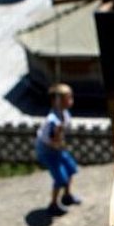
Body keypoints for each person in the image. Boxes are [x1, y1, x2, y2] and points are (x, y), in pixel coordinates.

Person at [35, 83, 81, 215]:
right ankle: (53, 204)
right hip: (48, 151)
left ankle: (67, 195)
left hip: (59, 149)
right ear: (57, 101)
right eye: (67, 98)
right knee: (61, 178)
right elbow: (51, 141)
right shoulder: (52, 121)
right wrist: (58, 136)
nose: (70, 100)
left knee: (71, 169)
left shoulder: (64, 114)